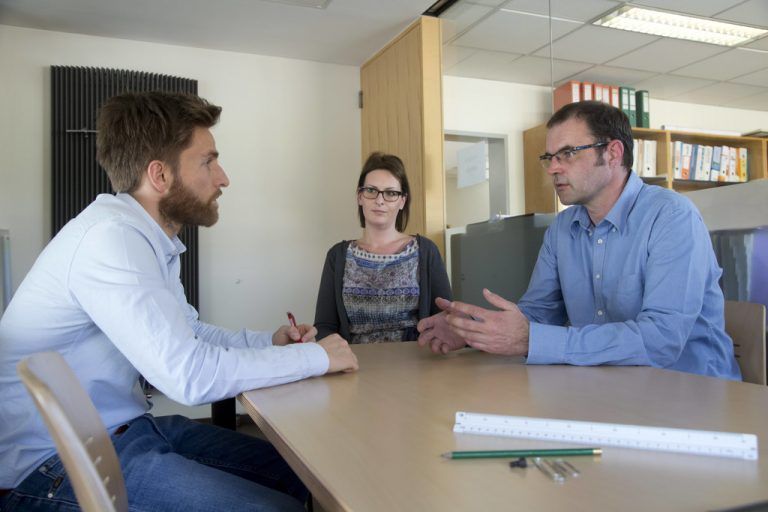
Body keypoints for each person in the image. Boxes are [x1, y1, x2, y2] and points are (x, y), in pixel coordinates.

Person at [0, 91, 359, 511]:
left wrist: (270, 343)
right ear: (160, 175)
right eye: (208, 161)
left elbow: (189, 333)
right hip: (53, 465)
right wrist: (317, 358)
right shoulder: (110, 240)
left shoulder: (148, 239)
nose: (223, 178)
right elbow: (187, 374)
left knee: (304, 472)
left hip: (126, 429)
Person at [417, 100, 741, 380]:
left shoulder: (671, 217)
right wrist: (474, 330)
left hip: (691, 394)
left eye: (567, 153)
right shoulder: (562, 229)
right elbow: (538, 314)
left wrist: (532, 341)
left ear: (613, 153)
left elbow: (661, 340)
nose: (552, 168)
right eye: (549, 157)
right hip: (607, 387)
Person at [314, 152, 452, 343]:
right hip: (353, 366)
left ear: (402, 200)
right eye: (371, 191)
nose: (380, 200)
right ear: (360, 196)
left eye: (390, 193)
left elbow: (445, 319)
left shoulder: (426, 251)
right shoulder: (337, 256)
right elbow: (324, 327)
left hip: (416, 366)